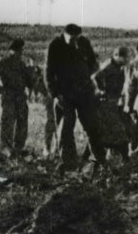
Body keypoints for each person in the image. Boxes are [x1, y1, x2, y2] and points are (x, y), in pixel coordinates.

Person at [45, 23, 107, 172]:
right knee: (65, 129)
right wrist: (55, 94)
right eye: (72, 38)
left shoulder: (84, 42)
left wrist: (96, 85)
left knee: (93, 125)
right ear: (65, 35)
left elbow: (93, 64)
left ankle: (99, 160)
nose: (75, 41)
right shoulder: (55, 45)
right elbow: (48, 72)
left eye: (77, 38)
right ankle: (68, 162)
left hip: (85, 93)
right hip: (64, 94)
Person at [0, 38, 34, 155]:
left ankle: (17, 149)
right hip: (10, 96)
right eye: (19, 51)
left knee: (21, 123)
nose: (20, 53)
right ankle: (7, 150)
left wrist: (32, 73)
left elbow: (28, 81)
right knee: (9, 123)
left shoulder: (20, 64)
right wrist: (0, 90)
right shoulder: (5, 63)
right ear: (14, 51)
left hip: (19, 96)